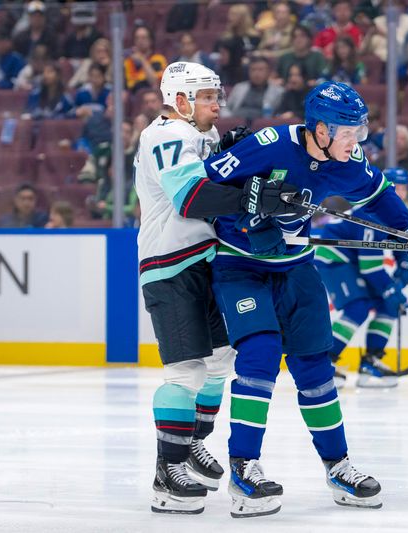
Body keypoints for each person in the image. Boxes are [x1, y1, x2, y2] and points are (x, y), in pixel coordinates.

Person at [200, 81, 408, 517]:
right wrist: (247, 204)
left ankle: (338, 467)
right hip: (240, 267)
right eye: (346, 132)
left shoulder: (347, 160)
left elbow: (379, 198)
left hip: (296, 269)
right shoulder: (269, 145)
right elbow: (199, 189)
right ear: (319, 129)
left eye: (359, 132)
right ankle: (244, 467)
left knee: (316, 368)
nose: (355, 142)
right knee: (259, 356)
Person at [134, 61, 290, 515]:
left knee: (220, 360)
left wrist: (233, 157)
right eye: (206, 97)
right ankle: (168, 469)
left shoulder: (198, 134)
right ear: (179, 100)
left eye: (215, 96)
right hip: (170, 264)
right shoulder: (166, 134)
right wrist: (253, 198)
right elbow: (190, 198)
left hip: (205, 259)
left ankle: (194, 444)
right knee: (186, 371)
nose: (216, 105)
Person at [314, 218, 408, 388]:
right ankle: (321, 365)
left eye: (404, 189)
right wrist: (391, 290)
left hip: (356, 258)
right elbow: (370, 267)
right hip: (335, 255)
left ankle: (370, 362)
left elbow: (400, 240)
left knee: (388, 306)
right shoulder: (373, 213)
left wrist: (405, 265)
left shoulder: (397, 212)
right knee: (357, 308)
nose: (401, 191)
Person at [124, 25, 167, 93]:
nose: (140, 41)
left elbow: (154, 82)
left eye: (143, 38)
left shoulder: (158, 59)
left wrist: (142, 59)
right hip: (133, 94)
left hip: (150, 93)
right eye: (137, 38)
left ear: (150, 40)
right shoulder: (128, 60)